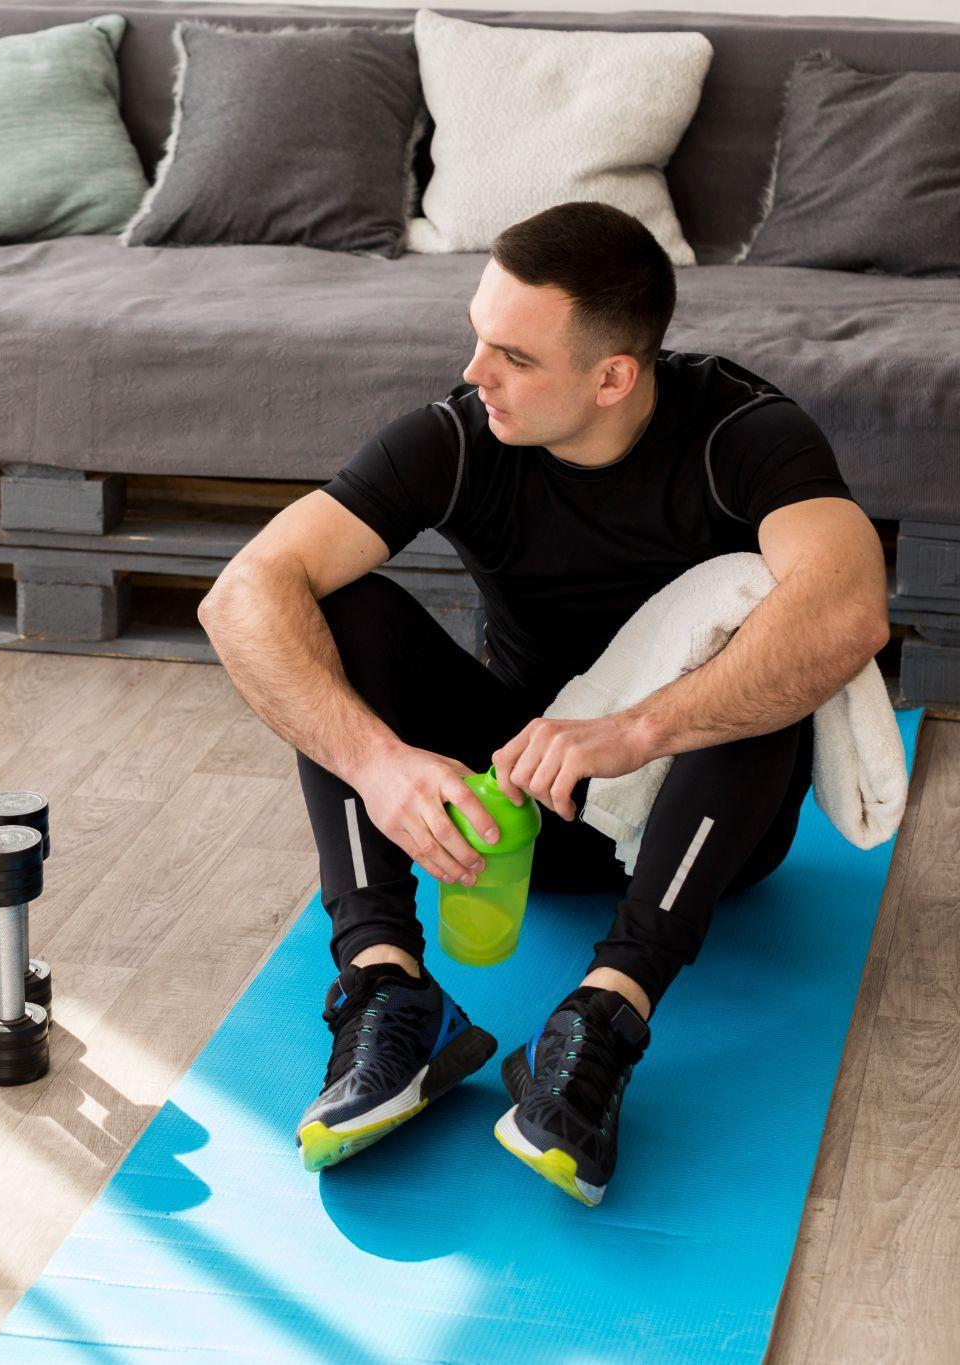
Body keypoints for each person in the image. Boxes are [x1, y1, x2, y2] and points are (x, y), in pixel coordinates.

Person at [197, 201, 891, 1207]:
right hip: (521, 814)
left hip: (701, 830)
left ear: (612, 376)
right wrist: (378, 766)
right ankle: (387, 991)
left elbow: (848, 610)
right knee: (332, 606)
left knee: (775, 641)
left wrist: (633, 729)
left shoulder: (741, 434)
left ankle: (601, 1019)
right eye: (476, 338)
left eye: (512, 355)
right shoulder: (461, 432)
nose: (476, 373)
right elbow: (242, 592)